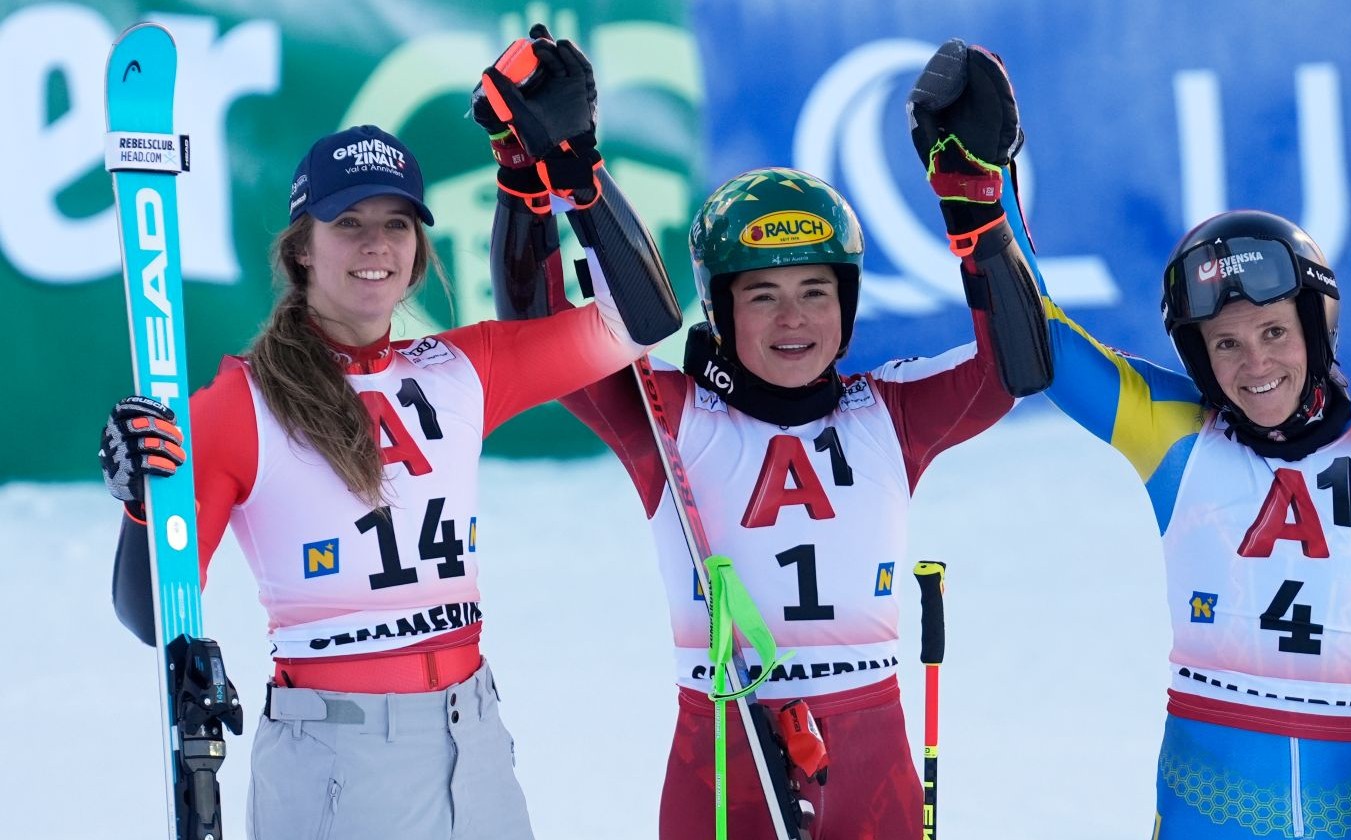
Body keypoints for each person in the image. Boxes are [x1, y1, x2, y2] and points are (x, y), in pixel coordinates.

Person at [472, 30, 1050, 838]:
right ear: (721, 309)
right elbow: (536, 331)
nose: (793, 320)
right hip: (721, 754)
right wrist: (531, 182)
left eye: (816, 291)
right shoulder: (664, 417)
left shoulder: (890, 413)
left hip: (869, 754)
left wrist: (977, 205)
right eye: (763, 295)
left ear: (847, 305)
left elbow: (1014, 368)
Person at [98, 121, 680, 839]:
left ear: (417, 252)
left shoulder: (465, 368)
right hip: (336, 760)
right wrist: (138, 508)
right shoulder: (238, 404)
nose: (376, 245)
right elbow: (155, 616)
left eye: (396, 224)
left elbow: (643, 320)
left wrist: (571, 170)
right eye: (349, 224)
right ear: (302, 250)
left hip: (475, 744)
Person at [1028, 201, 1351, 838]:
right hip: (1209, 809)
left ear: (1315, 325)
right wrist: (985, 210)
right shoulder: (1174, 436)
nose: (1255, 365)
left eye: (1274, 332)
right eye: (1226, 343)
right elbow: (1039, 343)